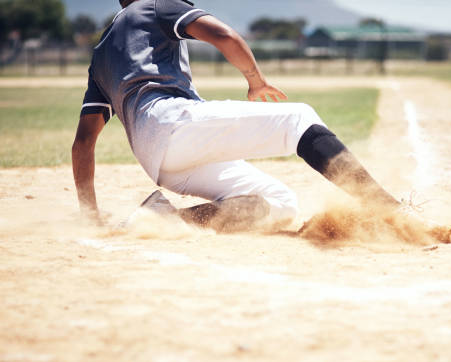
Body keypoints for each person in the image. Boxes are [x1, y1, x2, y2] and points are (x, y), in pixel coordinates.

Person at [72, 0, 399, 232]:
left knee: (280, 202)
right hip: (174, 125)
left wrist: (89, 212)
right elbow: (223, 35)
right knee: (299, 118)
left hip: (158, 161)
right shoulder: (154, 5)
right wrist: (256, 81)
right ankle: (386, 208)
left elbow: (84, 142)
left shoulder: (101, 54)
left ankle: (164, 218)